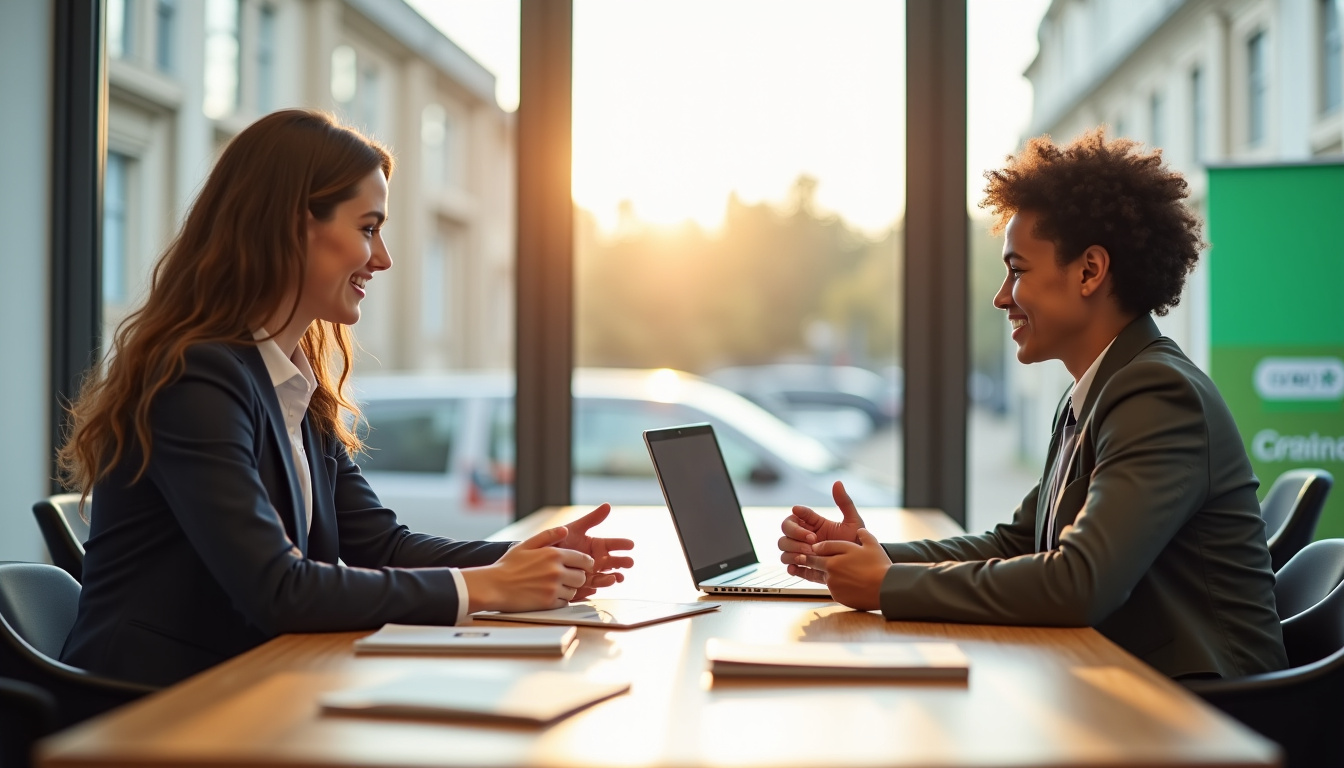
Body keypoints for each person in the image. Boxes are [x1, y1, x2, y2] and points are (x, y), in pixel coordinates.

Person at [57, 109, 634, 687]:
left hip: (249, 684)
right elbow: (277, 588)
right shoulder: (193, 376)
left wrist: (528, 562)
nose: (381, 258)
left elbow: (378, 544)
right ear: (292, 224)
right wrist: (488, 586)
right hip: (148, 708)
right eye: (368, 227)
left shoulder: (291, 383)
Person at [777, 129, 1287, 680]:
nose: (1002, 296)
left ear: (1090, 271)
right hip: (1135, 687)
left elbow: (1079, 583)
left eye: (1017, 270)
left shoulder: (1158, 395)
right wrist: (875, 555)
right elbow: (1019, 542)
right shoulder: (1094, 391)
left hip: (1212, 718)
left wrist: (885, 585)